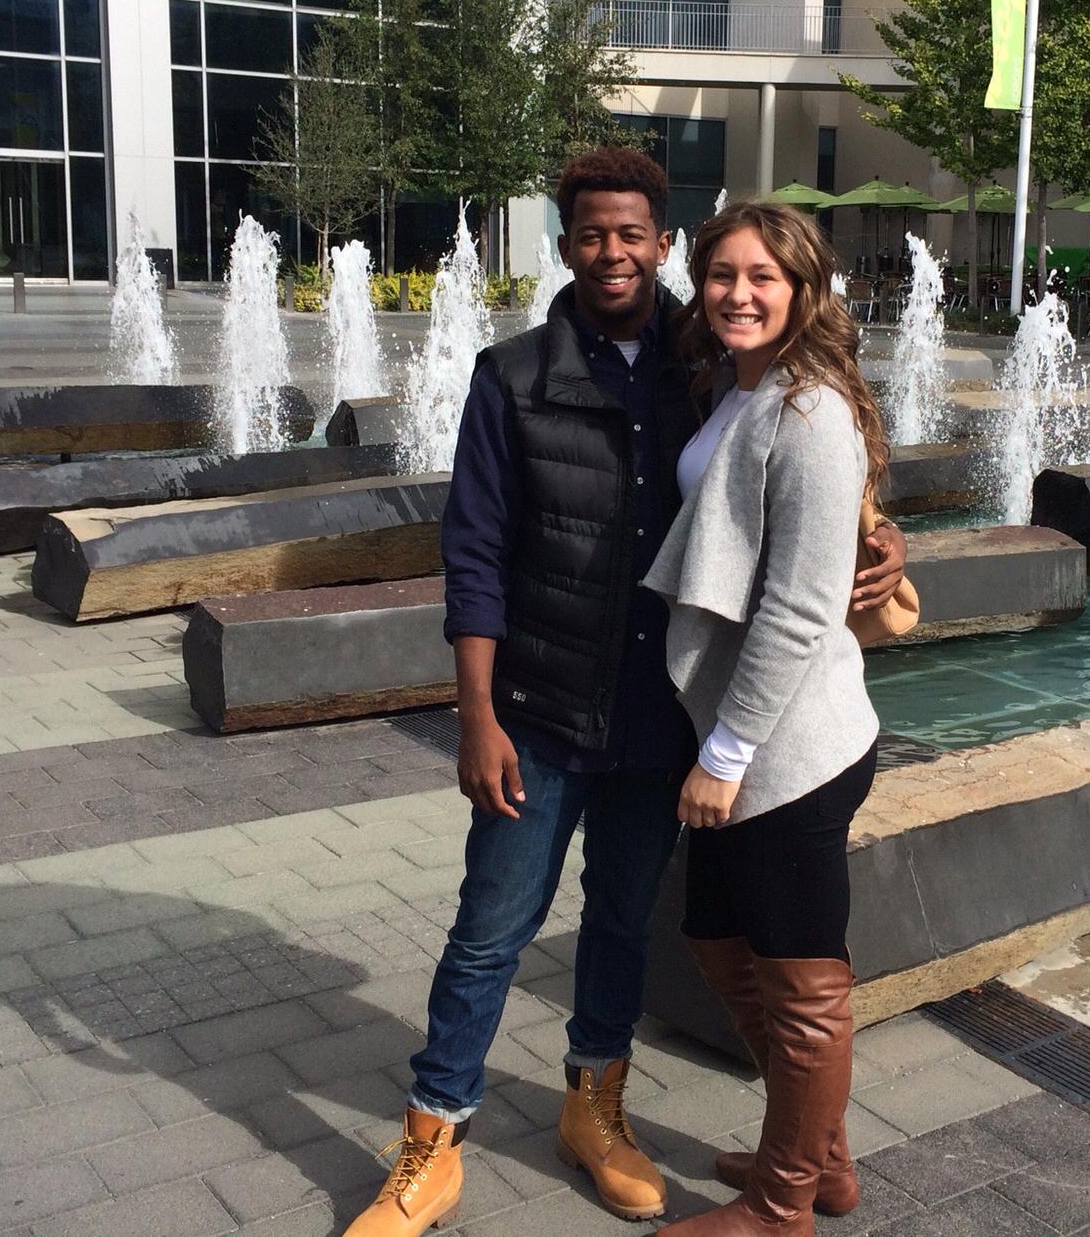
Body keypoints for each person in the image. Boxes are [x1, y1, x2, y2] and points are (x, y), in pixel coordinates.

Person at [344, 152, 905, 1237]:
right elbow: (473, 556)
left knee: (619, 926)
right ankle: (433, 1140)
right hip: (542, 709)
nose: (613, 252)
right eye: (592, 235)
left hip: (662, 718)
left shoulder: (707, 364)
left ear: (661, 243)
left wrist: (879, 543)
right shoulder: (514, 375)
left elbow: (816, 487)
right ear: (565, 246)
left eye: (632, 234)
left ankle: (596, 1111)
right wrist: (476, 717)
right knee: (490, 930)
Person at [643, 201, 888, 1235]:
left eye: (762, 278)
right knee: (715, 941)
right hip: (743, 738)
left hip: (789, 749)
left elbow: (796, 608)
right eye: (722, 274)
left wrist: (727, 751)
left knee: (801, 989)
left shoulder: (810, 411)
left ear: (803, 290)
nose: (738, 294)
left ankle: (781, 1209)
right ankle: (818, 1159)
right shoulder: (737, 385)